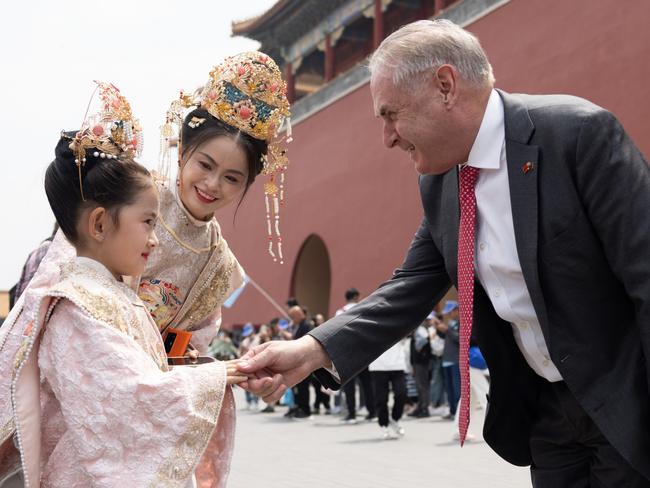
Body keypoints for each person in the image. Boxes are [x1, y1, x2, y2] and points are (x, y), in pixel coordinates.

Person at [238, 19, 650, 487]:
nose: (387, 137)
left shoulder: (576, 137)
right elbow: (410, 286)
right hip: (549, 418)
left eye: (391, 114)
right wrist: (310, 352)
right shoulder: (443, 183)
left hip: (625, 402)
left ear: (445, 86)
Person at [0, 82, 246, 487]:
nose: (155, 237)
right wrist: (215, 378)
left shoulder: (215, 265)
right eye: (148, 224)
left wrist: (199, 369)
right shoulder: (77, 304)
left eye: (233, 177)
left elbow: (180, 352)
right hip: (86, 451)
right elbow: (126, 396)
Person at [336, 288, 376, 423]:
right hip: (364, 351)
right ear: (356, 297)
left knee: (349, 385)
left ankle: (352, 414)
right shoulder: (364, 308)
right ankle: (372, 412)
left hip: (347, 352)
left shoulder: (340, 312)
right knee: (367, 384)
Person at [369, 339, 408, 440]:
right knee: (381, 399)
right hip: (377, 365)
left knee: (401, 393)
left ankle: (395, 419)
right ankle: (384, 425)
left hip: (397, 364)